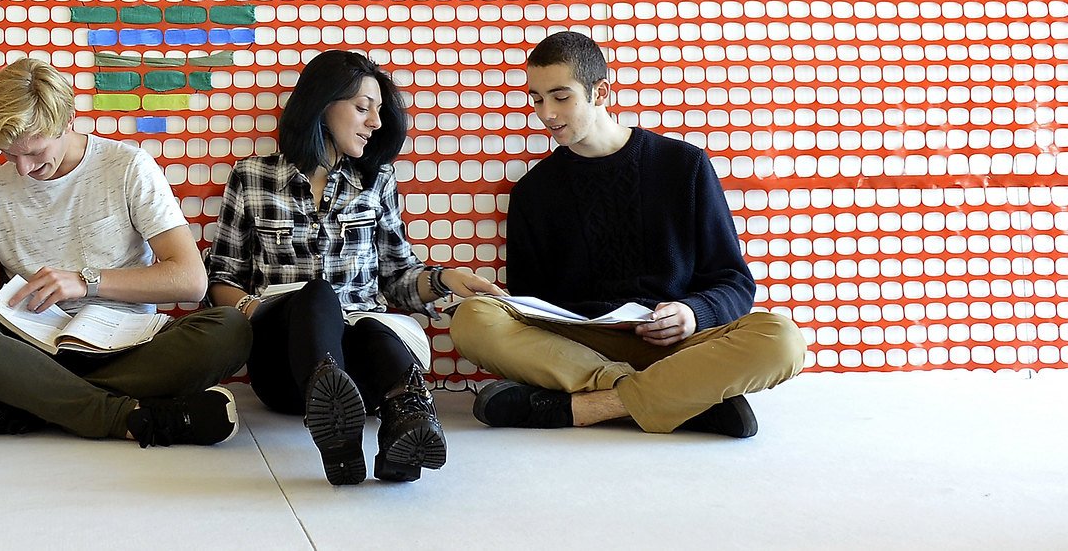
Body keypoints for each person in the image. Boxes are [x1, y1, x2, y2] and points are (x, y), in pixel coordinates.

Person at [450, 30, 806, 438]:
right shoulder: (533, 192)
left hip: (677, 346)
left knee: (783, 340)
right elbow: (532, 302)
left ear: (600, 92)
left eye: (561, 97)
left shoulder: (683, 166)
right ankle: (685, 402)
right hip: (578, 348)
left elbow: (734, 282)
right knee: (473, 319)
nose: (546, 113)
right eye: (537, 99)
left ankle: (586, 408)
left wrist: (692, 314)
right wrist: (510, 304)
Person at [206, 50, 506, 484]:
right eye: (363, 108)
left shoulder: (377, 180)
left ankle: (403, 422)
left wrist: (446, 279)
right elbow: (221, 278)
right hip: (283, 365)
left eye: (379, 111)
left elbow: (398, 278)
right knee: (317, 295)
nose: (376, 123)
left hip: (360, 366)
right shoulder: (253, 176)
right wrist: (252, 307)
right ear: (322, 104)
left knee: (371, 328)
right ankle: (330, 399)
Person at [0, 57, 251, 446]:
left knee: (230, 330)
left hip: (130, 347)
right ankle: (129, 417)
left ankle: (28, 405)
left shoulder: (128, 167)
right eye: (10, 155)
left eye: (35, 152)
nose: (24, 169)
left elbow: (191, 281)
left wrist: (85, 283)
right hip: (33, 353)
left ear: (67, 120)